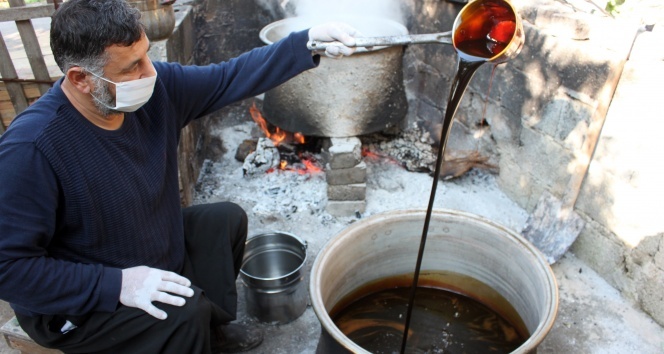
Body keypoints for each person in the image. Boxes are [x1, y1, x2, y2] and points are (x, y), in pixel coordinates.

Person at [0, 0, 358, 353]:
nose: (149, 73)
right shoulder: (32, 149)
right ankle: (190, 329)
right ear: (80, 79)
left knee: (224, 221)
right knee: (183, 314)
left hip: (142, 248)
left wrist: (304, 41)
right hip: (82, 301)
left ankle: (208, 331)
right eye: (131, 67)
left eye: (146, 55)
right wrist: (116, 284)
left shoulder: (156, 89)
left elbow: (228, 76)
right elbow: (8, 269)